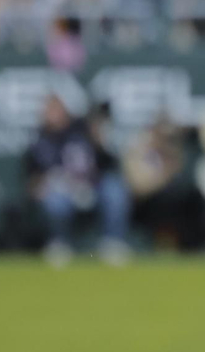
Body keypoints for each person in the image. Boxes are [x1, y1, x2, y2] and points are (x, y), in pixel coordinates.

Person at [22, 94, 129, 264]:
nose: (52, 115)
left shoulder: (82, 129)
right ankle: (60, 244)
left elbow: (107, 162)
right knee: (55, 200)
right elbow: (32, 180)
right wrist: (46, 184)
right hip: (63, 191)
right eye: (48, 110)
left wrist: (98, 137)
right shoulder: (39, 141)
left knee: (114, 189)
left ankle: (113, 243)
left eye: (56, 109)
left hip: (92, 186)